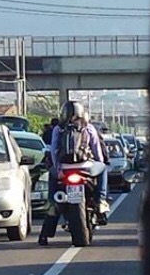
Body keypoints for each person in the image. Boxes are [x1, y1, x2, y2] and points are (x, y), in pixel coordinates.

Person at [38, 101, 109, 246]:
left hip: (64, 169)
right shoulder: (88, 128)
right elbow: (97, 153)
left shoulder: (58, 129)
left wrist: (57, 169)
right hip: (85, 168)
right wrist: (99, 163)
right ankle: (101, 199)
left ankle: (46, 231)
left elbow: (53, 151)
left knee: (54, 201)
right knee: (103, 168)